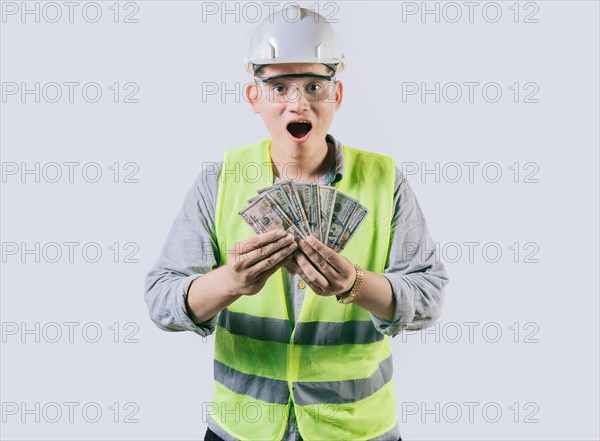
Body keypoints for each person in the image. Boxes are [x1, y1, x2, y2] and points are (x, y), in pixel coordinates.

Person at [144, 5, 449, 441]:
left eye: (314, 85)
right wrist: (230, 281)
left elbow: (428, 297)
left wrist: (355, 284)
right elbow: (162, 301)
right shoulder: (219, 181)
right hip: (241, 429)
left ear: (337, 95)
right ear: (255, 98)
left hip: (356, 431)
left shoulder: (386, 182)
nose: (298, 103)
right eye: (279, 86)